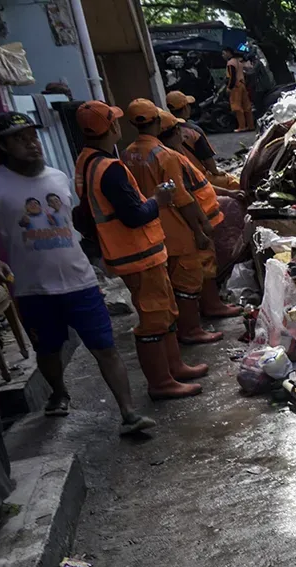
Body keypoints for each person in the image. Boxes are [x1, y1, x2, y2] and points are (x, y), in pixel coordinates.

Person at [0, 111, 157, 433]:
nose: (31, 144)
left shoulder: (58, 177)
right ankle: (59, 392)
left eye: (32, 136)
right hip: (34, 288)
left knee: (105, 346)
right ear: (2, 147)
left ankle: (128, 412)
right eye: (20, 139)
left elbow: (71, 224)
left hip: (80, 281)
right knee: (47, 349)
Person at [73, 100, 204, 400]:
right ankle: (161, 382)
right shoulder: (109, 169)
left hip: (139, 252)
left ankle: (175, 368)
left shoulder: (89, 160)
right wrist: (157, 200)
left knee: (165, 310)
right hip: (137, 253)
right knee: (153, 319)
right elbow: (134, 216)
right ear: (113, 126)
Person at [121, 99, 223, 346]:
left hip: (152, 227)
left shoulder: (128, 153)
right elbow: (182, 197)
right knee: (188, 280)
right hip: (175, 226)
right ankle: (191, 330)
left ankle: (184, 327)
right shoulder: (164, 155)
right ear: (156, 122)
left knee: (172, 283)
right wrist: (199, 229)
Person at [157, 110, 242, 320]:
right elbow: (186, 195)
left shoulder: (168, 156)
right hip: (196, 220)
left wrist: (227, 193)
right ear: (176, 132)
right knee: (205, 266)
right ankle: (212, 307)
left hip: (191, 220)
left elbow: (198, 185)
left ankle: (209, 306)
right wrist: (201, 226)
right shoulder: (171, 159)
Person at [165, 92, 240, 191]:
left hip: (178, 179)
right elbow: (209, 162)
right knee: (236, 182)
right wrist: (216, 172)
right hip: (199, 178)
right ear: (186, 108)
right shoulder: (193, 131)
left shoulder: (164, 132)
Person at [222, 47, 253, 132]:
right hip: (242, 84)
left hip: (236, 86)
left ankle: (242, 126)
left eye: (224, 53)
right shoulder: (238, 62)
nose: (223, 56)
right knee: (247, 106)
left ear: (229, 53)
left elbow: (232, 76)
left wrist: (229, 87)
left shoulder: (230, 63)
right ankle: (250, 125)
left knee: (237, 107)